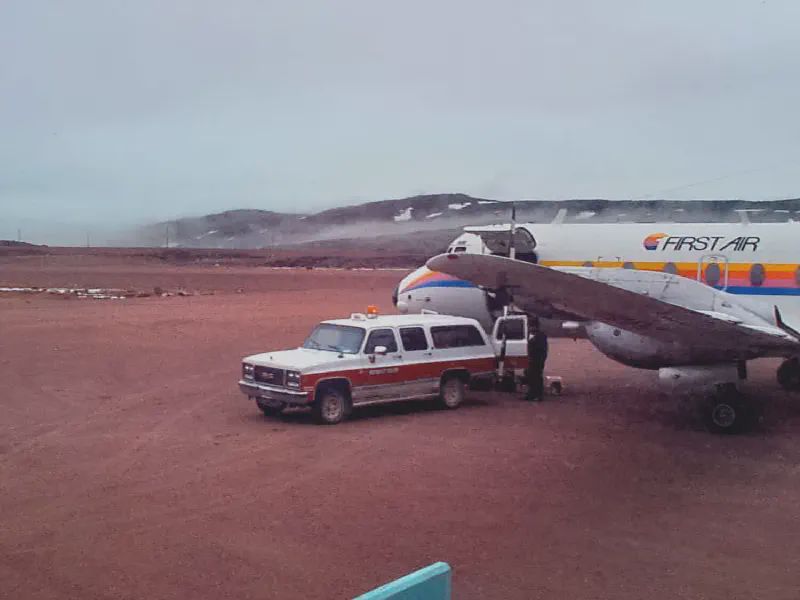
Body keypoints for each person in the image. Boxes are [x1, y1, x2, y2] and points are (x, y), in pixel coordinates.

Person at [526, 316, 548, 401]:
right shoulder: (531, 335)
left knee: (537, 377)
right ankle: (531, 394)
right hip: (532, 359)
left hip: (537, 359)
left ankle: (538, 395)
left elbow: (540, 348)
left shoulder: (540, 336)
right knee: (530, 376)